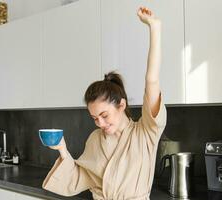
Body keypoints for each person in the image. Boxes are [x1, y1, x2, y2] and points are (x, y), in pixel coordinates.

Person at [42, 7, 166, 200]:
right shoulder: (95, 139)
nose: (100, 123)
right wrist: (63, 150)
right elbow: (80, 176)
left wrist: (154, 28)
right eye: (94, 118)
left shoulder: (146, 132)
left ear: (121, 105)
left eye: (104, 115)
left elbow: (152, 80)